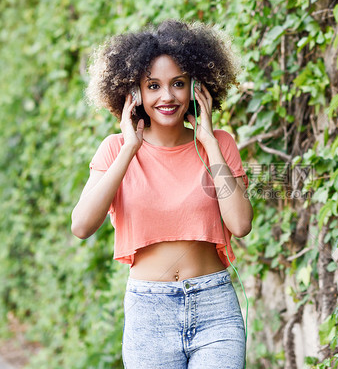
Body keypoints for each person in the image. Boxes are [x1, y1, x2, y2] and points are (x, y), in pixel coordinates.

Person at [71, 20, 253, 369]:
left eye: (178, 84)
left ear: (196, 88)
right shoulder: (114, 150)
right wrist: (129, 149)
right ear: (134, 93)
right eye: (153, 85)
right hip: (149, 311)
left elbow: (241, 224)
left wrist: (211, 142)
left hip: (215, 306)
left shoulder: (221, 144)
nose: (167, 96)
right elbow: (81, 225)